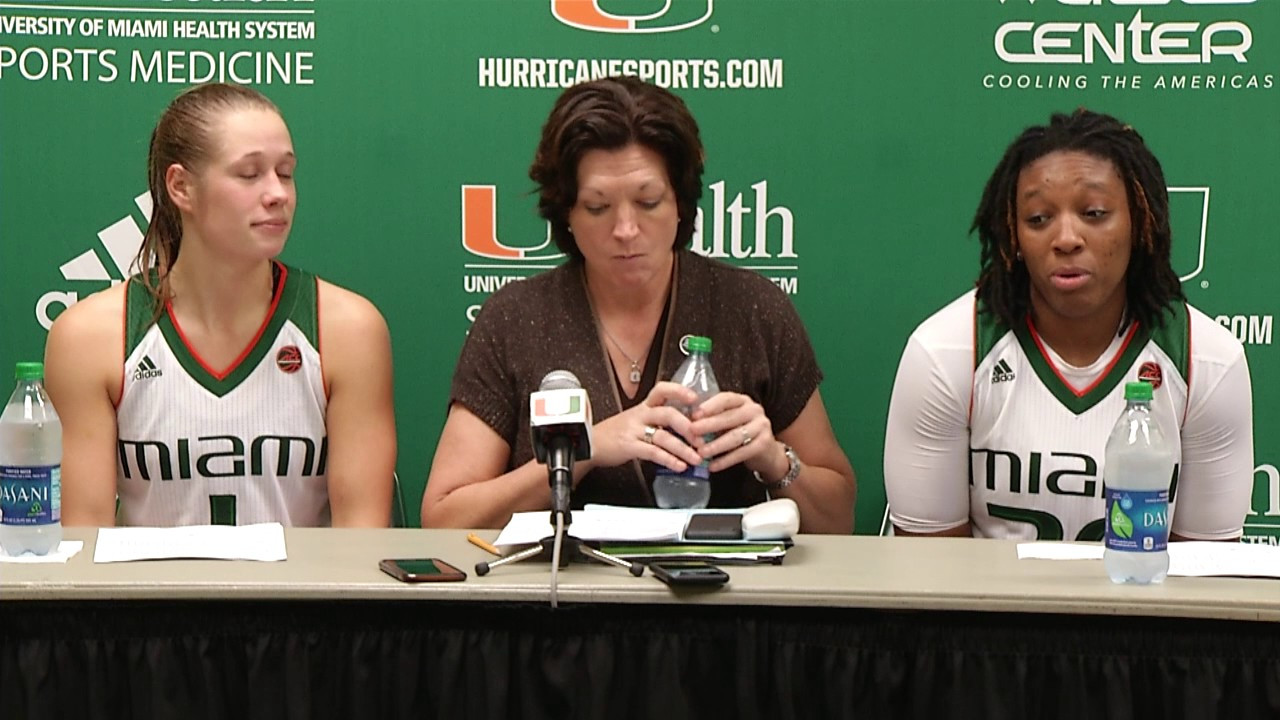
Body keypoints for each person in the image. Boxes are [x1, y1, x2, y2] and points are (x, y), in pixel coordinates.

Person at [422, 76, 856, 532]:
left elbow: (839, 519)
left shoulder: (751, 308)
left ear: (681, 204)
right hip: (556, 597)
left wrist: (773, 459)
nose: (626, 229)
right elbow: (446, 518)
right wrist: (583, 451)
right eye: (597, 207)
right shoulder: (515, 319)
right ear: (565, 213)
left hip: (721, 596)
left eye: (648, 202)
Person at [883, 109, 1253, 541]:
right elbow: (928, 574)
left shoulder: (1207, 360)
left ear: (1139, 222)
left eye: (1094, 213)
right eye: (1038, 219)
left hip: (1145, 606)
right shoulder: (946, 352)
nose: (1066, 238)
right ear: (1014, 237)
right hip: (985, 609)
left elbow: (1205, 578)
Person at [44, 83, 395, 527]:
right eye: (249, 174)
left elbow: (360, 546)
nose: (278, 194)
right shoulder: (89, 337)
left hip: (303, 597)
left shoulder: (348, 330)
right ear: (181, 187)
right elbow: (85, 545)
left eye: (285, 173)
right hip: (150, 596)